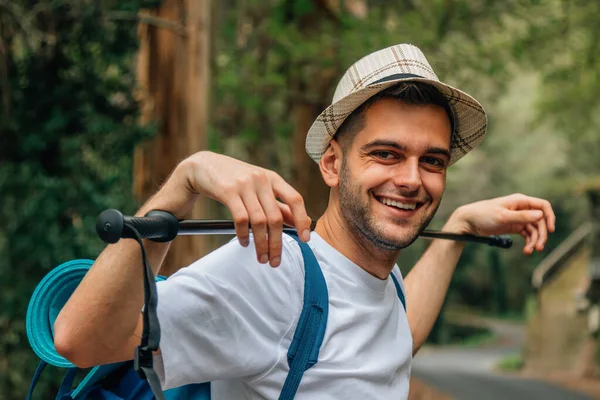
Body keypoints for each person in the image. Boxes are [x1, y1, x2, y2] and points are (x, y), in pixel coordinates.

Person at [54, 44, 555, 399]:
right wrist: (184, 183)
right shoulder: (271, 273)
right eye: (386, 153)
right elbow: (82, 343)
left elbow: (395, 338)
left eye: (433, 161)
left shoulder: (385, 279)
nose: (411, 179)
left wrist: (461, 229)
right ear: (333, 164)